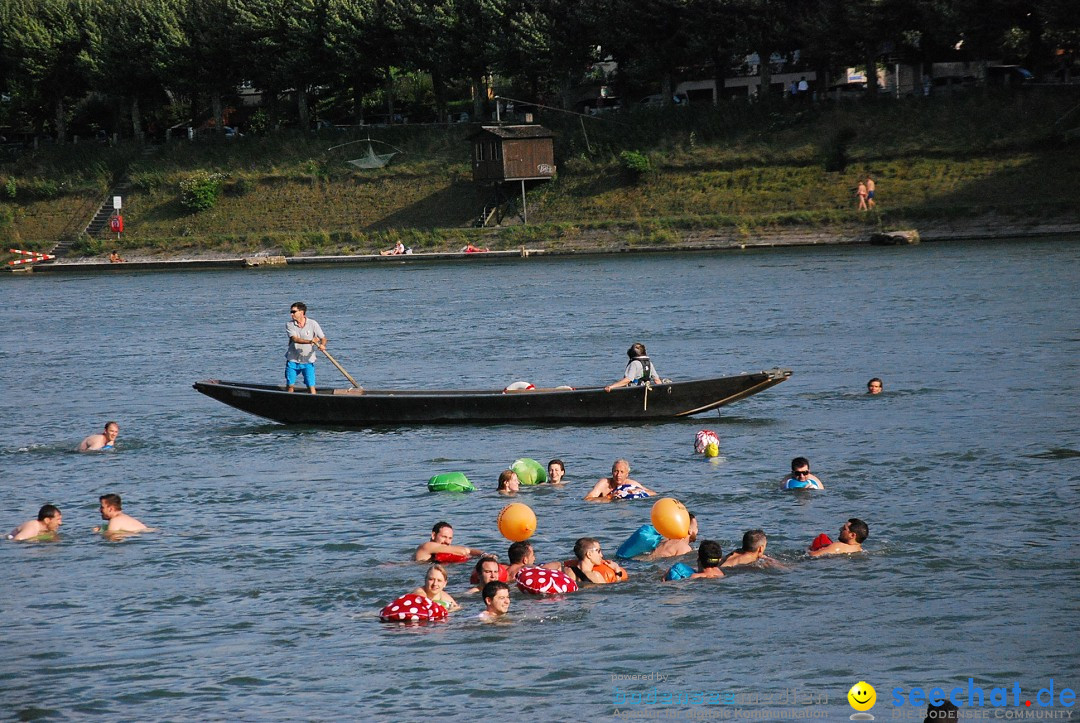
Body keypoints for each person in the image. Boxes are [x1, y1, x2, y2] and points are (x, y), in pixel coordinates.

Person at [285, 302, 327, 394]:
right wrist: (310, 341)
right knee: (290, 385)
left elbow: (323, 338)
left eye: (293, 311)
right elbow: (295, 339)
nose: (291, 314)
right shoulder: (289, 324)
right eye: (291, 312)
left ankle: (314, 401)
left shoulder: (313, 323)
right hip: (293, 359)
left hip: (308, 360)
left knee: (311, 386)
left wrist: (323, 345)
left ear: (301, 312)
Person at [584, 459, 656, 500]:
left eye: (622, 472)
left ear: (627, 474)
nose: (618, 475)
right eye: (616, 471)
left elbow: (653, 493)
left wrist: (638, 491)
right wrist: (609, 497)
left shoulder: (631, 484)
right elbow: (587, 499)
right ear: (612, 472)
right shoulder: (604, 483)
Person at [414, 521, 484, 562]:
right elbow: (465, 551)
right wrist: (483, 555)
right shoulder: (427, 546)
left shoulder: (440, 554)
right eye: (444, 537)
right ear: (433, 535)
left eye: (450, 538)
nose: (447, 542)